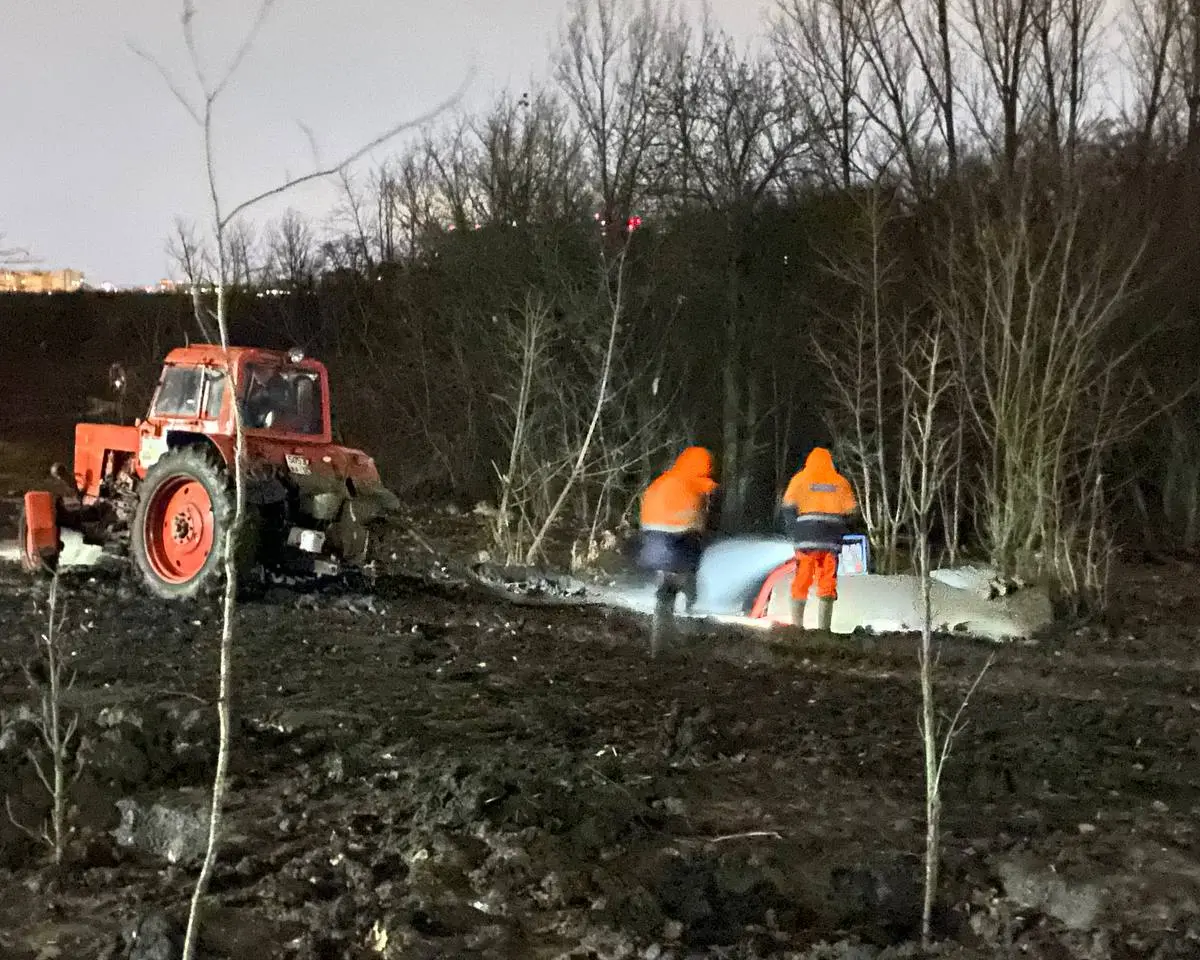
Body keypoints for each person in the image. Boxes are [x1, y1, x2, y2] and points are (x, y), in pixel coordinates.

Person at [636, 446, 718, 654]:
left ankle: (666, 634)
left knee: (667, 589)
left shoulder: (663, 480)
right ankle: (668, 635)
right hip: (677, 538)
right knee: (675, 584)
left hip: (652, 537)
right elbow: (703, 510)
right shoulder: (693, 482)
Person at [780, 446, 857, 632]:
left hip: (805, 540)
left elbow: (787, 507)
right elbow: (852, 512)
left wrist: (794, 531)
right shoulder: (840, 482)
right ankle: (824, 629)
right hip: (830, 541)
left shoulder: (799, 480)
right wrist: (842, 530)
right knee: (827, 582)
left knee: (802, 580)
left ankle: (797, 627)